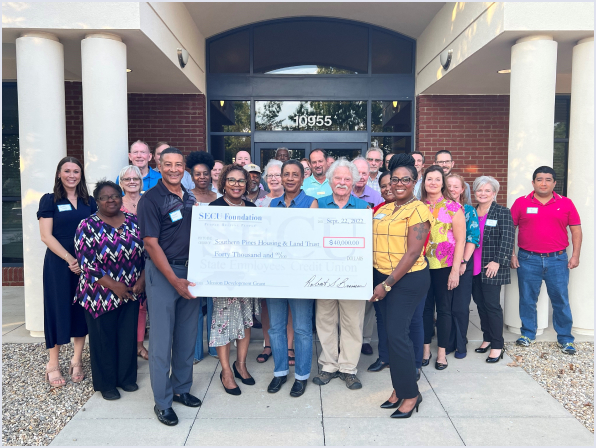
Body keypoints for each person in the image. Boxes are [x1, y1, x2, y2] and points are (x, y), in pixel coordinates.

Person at [137, 147, 202, 427]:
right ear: (159, 166)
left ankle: (181, 389)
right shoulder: (150, 200)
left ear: (184, 167)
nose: (174, 169)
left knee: (187, 336)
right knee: (162, 342)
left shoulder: (189, 197)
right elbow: (151, 243)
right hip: (165, 274)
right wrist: (174, 280)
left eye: (179, 165)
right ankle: (162, 402)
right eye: (168, 164)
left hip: (192, 272)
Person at [371, 153, 432, 418]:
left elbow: (412, 253)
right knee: (389, 335)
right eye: (394, 179)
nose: (398, 184)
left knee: (398, 335)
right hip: (383, 277)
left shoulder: (418, 209)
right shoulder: (384, 209)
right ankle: (399, 387)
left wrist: (386, 284)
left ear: (415, 181)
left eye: (405, 179)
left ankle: (410, 394)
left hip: (406, 280)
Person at [74, 180, 144, 400]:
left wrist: (141, 279)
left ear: (121, 197)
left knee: (126, 336)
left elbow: (146, 253)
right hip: (100, 293)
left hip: (131, 290)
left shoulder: (134, 221)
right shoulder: (87, 225)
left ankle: (126, 378)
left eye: (114, 195)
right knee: (103, 339)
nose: (111, 200)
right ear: (97, 201)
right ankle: (106, 384)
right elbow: (87, 264)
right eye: (105, 197)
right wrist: (114, 286)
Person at [37, 157, 96, 388]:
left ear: (81, 175)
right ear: (59, 174)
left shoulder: (89, 202)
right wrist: (70, 258)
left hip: (84, 265)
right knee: (57, 308)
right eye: (67, 171)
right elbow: (46, 236)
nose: (72, 175)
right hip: (59, 264)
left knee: (80, 309)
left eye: (76, 171)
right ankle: (53, 363)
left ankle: (76, 359)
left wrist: (83, 260)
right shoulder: (49, 200)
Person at [510, 166, 582, 355]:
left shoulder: (566, 203)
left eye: (548, 179)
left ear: (554, 183)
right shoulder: (521, 203)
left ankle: (565, 338)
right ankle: (527, 334)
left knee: (560, 300)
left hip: (557, 259)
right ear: (533, 183)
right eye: (539, 179)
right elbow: (510, 230)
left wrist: (575, 255)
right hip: (528, 258)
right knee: (527, 299)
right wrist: (511, 254)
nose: (543, 183)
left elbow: (576, 230)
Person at [313, 158, 369, 390]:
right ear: (329, 180)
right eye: (338, 178)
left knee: (352, 322)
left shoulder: (363, 208)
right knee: (325, 320)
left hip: (353, 275)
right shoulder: (318, 204)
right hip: (324, 274)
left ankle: (348, 368)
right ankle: (328, 365)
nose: (343, 182)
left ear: (354, 181)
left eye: (347, 178)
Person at [266, 160, 319, 397]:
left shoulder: (311, 203)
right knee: (276, 328)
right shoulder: (273, 204)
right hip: (276, 274)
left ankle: (301, 376)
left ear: (302, 178)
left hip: (300, 275)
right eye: (285, 174)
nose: (289, 178)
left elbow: (313, 240)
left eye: (294, 175)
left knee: (301, 328)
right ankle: (279, 373)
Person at [209, 163, 260, 395]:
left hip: (247, 273)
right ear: (223, 183)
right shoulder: (213, 208)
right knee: (223, 322)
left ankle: (241, 364)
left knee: (245, 319)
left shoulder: (252, 208)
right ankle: (226, 370)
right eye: (232, 180)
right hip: (221, 275)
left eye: (241, 181)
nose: (237, 185)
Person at [421, 165, 466, 371]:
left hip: (445, 266)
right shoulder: (417, 206)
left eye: (437, 179)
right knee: (425, 309)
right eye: (429, 179)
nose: (433, 182)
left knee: (445, 310)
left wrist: (455, 270)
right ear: (424, 182)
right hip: (420, 266)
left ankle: (441, 353)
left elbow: (460, 240)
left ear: (443, 183)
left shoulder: (453, 207)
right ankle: (425, 350)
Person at [255, 159, 294, 364]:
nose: (273, 179)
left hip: (289, 260)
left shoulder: (293, 202)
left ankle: (289, 346)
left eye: (277, 175)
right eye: (269, 175)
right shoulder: (258, 203)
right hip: (266, 261)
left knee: (288, 305)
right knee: (266, 305)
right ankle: (268, 344)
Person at [472, 176, 515, 362]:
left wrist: (498, 261)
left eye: (487, 190)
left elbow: (508, 238)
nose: (483, 193)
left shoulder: (502, 212)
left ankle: (498, 344)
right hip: (473, 266)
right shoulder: (471, 212)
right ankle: (487, 337)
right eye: (479, 190)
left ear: (494, 193)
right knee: (480, 305)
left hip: (491, 267)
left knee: (492, 306)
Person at [186, 151, 220, 363]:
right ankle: (196, 352)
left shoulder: (218, 197)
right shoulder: (185, 197)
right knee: (195, 307)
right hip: (192, 256)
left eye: (205, 174)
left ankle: (216, 348)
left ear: (210, 175)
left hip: (215, 256)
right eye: (197, 174)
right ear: (191, 175)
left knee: (215, 304)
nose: (202, 177)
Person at [446, 174, 480, 359]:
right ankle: (447, 342)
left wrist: (463, 263)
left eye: (456, 186)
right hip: (442, 264)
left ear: (462, 190)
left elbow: (472, 238)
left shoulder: (468, 210)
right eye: (449, 185)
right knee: (446, 307)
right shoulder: (440, 209)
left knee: (459, 306)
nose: (452, 189)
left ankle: (460, 343)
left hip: (462, 263)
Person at [118, 165, 149, 361]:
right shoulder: (115, 203)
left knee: (141, 306)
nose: (132, 182)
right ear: (121, 183)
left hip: (146, 259)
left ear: (141, 182)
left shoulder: (148, 201)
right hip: (122, 262)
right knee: (125, 305)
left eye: (135, 179)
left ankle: (139, 345)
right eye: (127, 179)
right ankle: (125, 346)